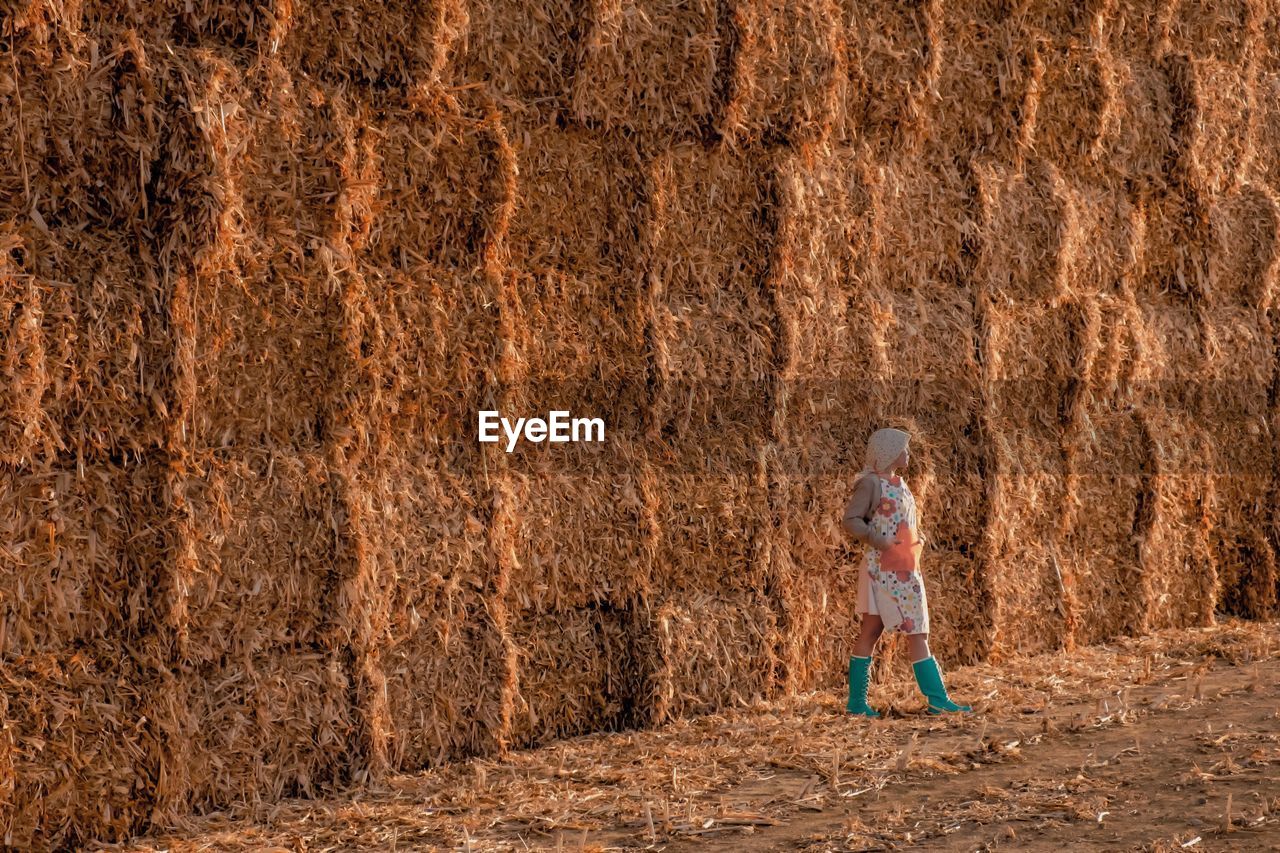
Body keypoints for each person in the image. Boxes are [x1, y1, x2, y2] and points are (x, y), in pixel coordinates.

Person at [841, 427, 971, 717]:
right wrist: (879, 540)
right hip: (881, 570)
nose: (908, 453)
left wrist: (919, 537)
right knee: (879, 631)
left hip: (906, 569)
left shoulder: (900, 483)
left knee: (914, 631)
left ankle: (936, 700)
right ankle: (859, 703)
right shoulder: (871, 484)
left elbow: (907, 520)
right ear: (888, 452)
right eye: (904, 448)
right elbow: (851, 520)